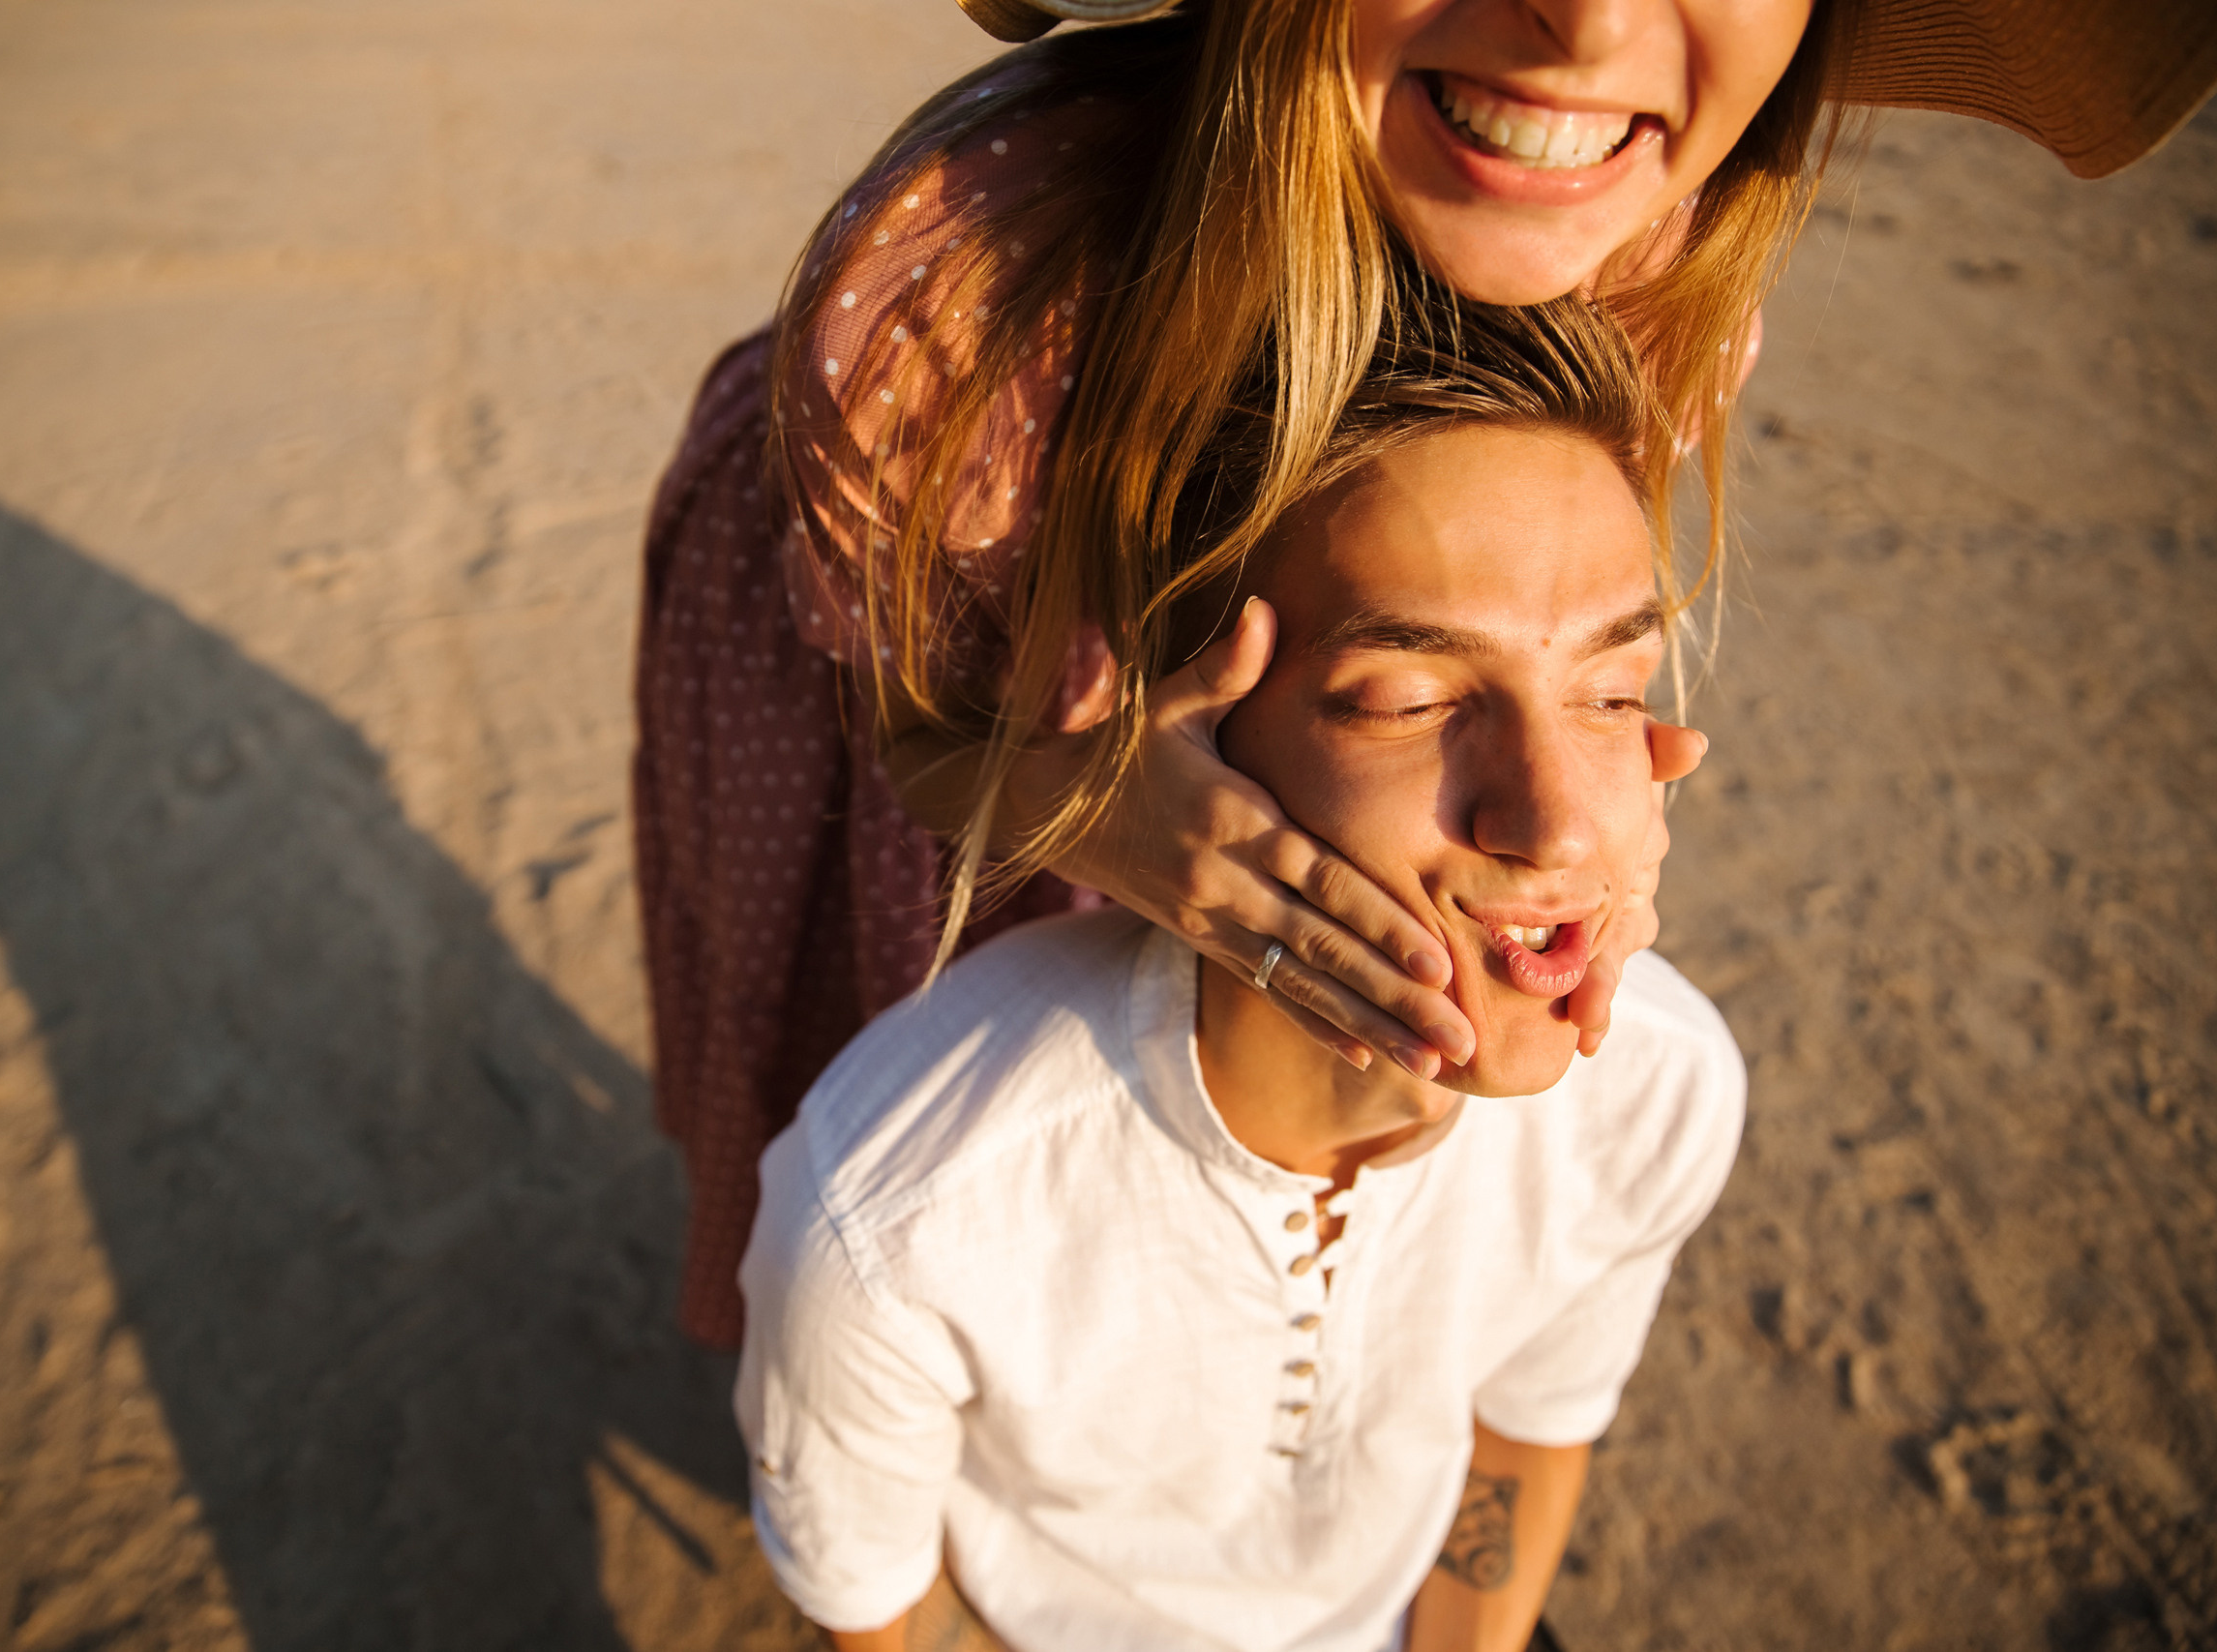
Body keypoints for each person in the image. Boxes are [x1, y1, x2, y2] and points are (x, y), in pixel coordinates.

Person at [635, 0, 2217, 1346]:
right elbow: (915, 730)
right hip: (950, 685)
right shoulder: (977, 285)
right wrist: (1083, 796)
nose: (1590, 23)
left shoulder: (1658, 239)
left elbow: (1541, 623)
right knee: (917, 1158)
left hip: (1299, 749)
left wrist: (1585, 789)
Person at [737, 290, 1725, 1652]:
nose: (1554, 823)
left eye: (1615, 695)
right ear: (1190, 746)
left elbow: (1522, 1433)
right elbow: (872, 1605)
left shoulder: (1660, 1092)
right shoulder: (903, 1213)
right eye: (1410, 699)